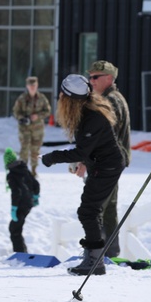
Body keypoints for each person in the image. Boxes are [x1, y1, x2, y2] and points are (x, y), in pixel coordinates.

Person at [40, 74, 125, 276]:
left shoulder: (92, 118)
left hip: (108, 167)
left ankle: (95, 261)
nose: (59, 96)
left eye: (62, 94)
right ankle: (93, 258)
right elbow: (88, 149)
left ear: (69, 98)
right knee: (89, 210)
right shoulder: (86, 111)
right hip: (101, 164)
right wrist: (83, 163)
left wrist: (52, 157)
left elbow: (81, 151)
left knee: (88, 211)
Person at [84, 60, 131, 258]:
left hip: (106, 164)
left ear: (109, 78)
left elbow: (101, 136)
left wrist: (83, 157)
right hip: (110, 162)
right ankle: (109, 253)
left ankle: (94, 255)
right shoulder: (110, 98)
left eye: (96, 77)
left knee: (95, 208)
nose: (91, 81)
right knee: (107, 208)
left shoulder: (110, 101)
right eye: (90, 77)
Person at [12, 76, 50, 176]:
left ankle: (33, 170)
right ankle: (23, 170)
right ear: (27, 86)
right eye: (30, 85)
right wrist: (22, 118)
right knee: (24, 149)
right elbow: (16, 112)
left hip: (37, 129)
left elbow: (47, 111)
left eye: (34, 85)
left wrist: (38, 116)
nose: (32, 87)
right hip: (25, 128)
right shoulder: (22, 98)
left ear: (37, 85)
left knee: (35, 150)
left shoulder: (41, 98)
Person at [4, 147, 40, 253]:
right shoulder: (24, 169)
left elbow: (16, 192)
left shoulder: (11, 175)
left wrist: (14, 208)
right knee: (17, 228)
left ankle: (20, 254)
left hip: (21, 204)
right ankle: (22, 252)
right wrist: (35, 197)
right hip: (29, 203)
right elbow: (36, 184)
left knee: (14, 229)